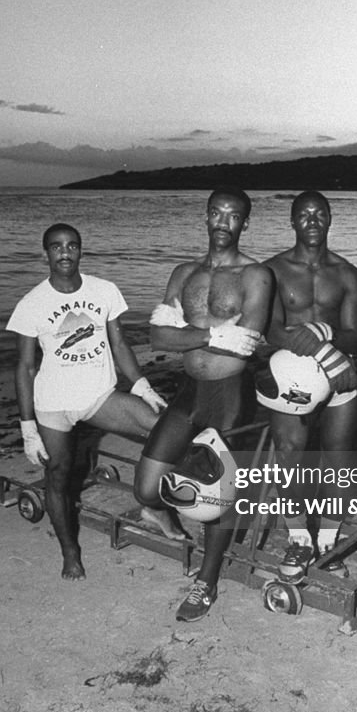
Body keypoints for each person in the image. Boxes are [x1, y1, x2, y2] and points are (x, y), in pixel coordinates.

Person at [133, 187, 273, 621]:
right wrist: (213, 335)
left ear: (245, 223)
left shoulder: (257, 276)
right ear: (206, 215)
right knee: (146, 487)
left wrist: (189, 334)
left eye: (233, 216)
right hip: (189, 389)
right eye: (217, 212)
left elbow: (245, 345)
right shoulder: (183, 272)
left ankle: (207, 583)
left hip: (231, 394)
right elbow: (157, 337)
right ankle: (168, 516)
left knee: (220, 498)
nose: (223, 222)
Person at [7, 223, 167, 581]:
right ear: (45, 253)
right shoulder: (32, 303)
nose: (64, 253)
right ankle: (70, 551)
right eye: (56, 247)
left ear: (81, 250)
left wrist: (142, 386)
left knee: (160, 428)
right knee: (59, 476)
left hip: (99, 396)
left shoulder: (104, 290)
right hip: (54, 405)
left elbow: (120, 344)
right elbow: (25, 367)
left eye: (72, 246)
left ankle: (154, 504)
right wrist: (28, 426)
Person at [263, 190, 357, 580]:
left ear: (330, 219)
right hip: (292, 372)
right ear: (291, 222)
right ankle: (299, 539)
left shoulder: (347, 273)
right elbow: (269, 328)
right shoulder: (272, 271)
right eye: (303, 215)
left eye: (319, 214)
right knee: (290, 452)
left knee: (339, 456)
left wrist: (325, 338)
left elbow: (355, 334)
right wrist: (315, 346)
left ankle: (328, 539)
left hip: (341, 371)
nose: (312, 221)